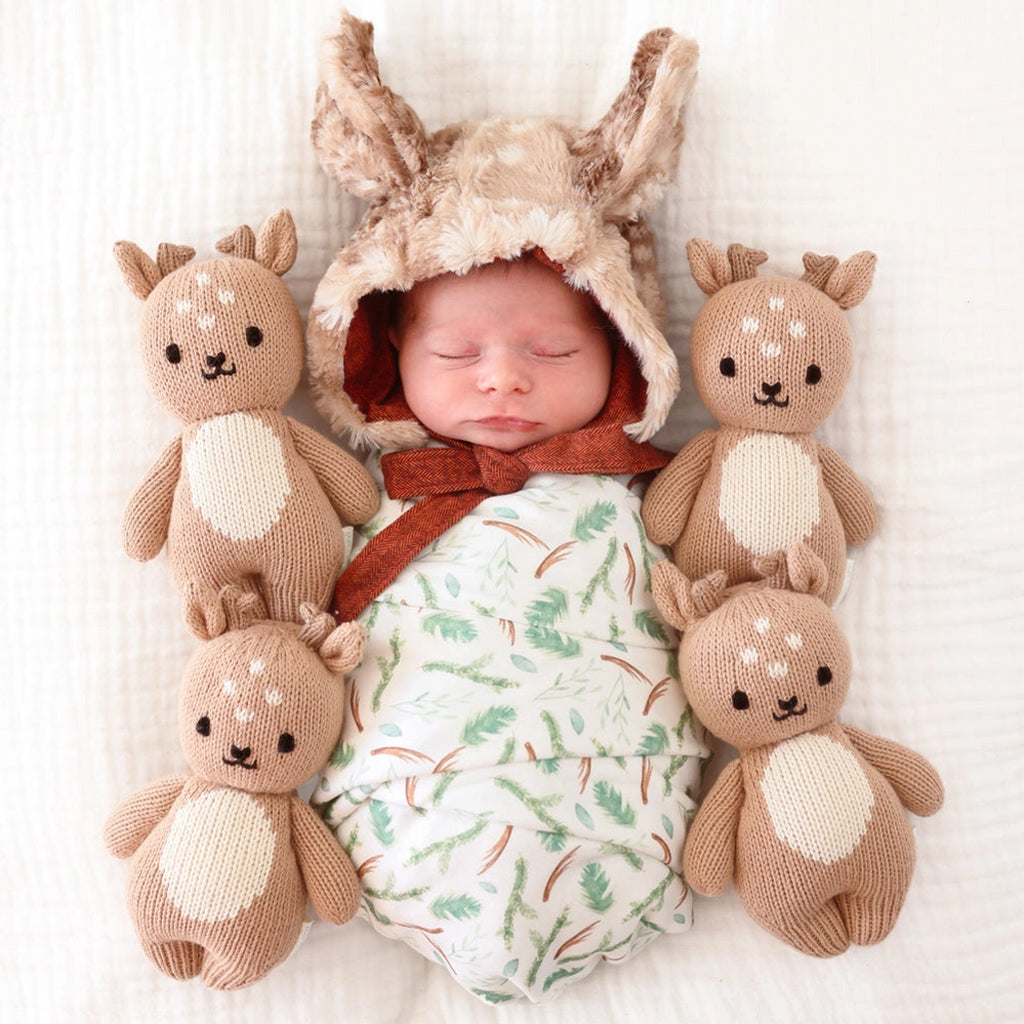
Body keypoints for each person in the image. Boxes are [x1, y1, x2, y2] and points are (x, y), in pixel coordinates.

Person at [305, 11, 705, 1003]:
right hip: (409, 791)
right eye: (456, 354)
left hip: (615, 784)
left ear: (622, 347)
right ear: (389, 352)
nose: (503, 382)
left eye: (552, 351)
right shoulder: (372, 493)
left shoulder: (636, 489)